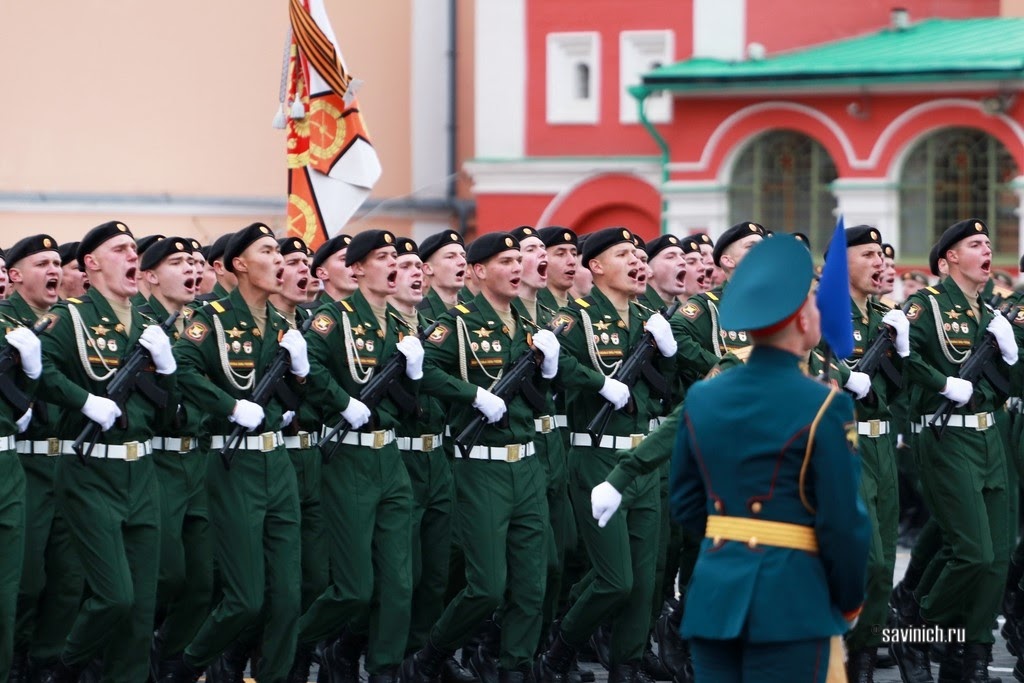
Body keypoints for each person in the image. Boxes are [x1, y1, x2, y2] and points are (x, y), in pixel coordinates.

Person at [668, 233, 870, 682]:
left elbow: (684, 502)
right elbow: (842, 522)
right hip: (792, 601)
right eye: (812, 302)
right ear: (800, 319)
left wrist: (734, 537)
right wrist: (849, 603)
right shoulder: (825, 404)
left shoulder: (703, 396)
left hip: (715, 596)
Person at [403, 232, 558, 683]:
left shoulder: (528, 326)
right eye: (505, 262)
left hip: (527, 462)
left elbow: (537, 397)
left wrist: (549, 369)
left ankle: (515, 668)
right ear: (479, 270)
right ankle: (432, 653)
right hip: (481, 465)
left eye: (517, 261)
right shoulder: (456, 323)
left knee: (532, 585)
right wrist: (472, 395)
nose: (516, 268)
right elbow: (424, 372)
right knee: (487, 587)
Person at [535, 227, 676, 683]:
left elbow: (670, 388)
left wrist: (669, 351)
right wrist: (599, 383)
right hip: (596, 459)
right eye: (624, 255)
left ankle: (626, 665)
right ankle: (560, 649)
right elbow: (554, 368)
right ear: (595, 266)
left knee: (645, 581)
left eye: (639, 255)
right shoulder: (574, 319)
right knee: (616, 578)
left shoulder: (650, 318)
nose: (637, 261)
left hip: (644, 459)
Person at [38, 221, 176, 683]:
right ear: (92, 263)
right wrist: (84, 400)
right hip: (91, 471)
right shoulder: (69, 318)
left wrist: (168, 369)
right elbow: (40, 370)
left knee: (141, 607)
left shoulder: (150, 325)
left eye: (134, 248)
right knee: (115, 596)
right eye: (120, 250)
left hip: (143, 473)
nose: (132, 255)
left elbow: (168, 413)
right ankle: (64, 669)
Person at [173, 222, 308, 683]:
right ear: (240, 264)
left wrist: (302, 372)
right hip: (233, 463)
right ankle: (184, 665)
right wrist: (228, 406)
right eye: (267, 251)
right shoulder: (210, 318)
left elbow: (300, 397)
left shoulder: (284, 324)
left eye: (278, 252)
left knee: (288, 597)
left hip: (277, 461)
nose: (278, 260)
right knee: (245, 599)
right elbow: (183, 370)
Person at [894, 218, 1017, 682]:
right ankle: (915, 627)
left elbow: (1009, 385)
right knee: (973, 553)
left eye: (988, 243)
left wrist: (1012, 356)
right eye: (976, 244)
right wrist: (941, 383)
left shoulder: (989, 313)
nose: (987, 251)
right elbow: (903, 359)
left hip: (990, 436)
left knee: (996, 560)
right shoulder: (925, 307)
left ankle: (971, 658)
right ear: (949, 259)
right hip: (948, 437)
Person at [300, 229, 418, 683]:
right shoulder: (334, 318)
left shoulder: (401, 325)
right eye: (383, 257)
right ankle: (292, 642)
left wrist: (416, 372)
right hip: (348, 457)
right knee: (354, 587)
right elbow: (308, 366)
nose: (393, 264)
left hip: (389, 458)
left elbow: (412, 400)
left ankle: (384, 669)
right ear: (356, 268)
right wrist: (341, 402)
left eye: (395, 256)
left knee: (400, 583)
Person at [3, 236, 84, 682]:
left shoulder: (70, 323)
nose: (54, 270)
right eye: (42, 264)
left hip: (70, 463)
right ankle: (16, 659)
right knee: (27, 580)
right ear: (15, 275)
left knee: (69, 580)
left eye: (57, 262)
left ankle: (45, 663)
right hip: (26, 463)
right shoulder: (6, 323)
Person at [140, 238, 214, 680]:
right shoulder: (140, 323)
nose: (191, 269)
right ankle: (136, 643)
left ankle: (169, 659)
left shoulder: (202, 323)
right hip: (158, 460)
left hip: (197, 460)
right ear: (150, 275)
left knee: (202, 581)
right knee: (166, 574)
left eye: (192, 262)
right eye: (177, 263)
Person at [0, 240, 44, 682]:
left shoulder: (14, 331)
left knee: (6, 593)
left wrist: (31, 373)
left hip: (6, 463)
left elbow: (22, 411)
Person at [417, 230, 468, 321]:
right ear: (428, 269)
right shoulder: (419, 314)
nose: (462, 262)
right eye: (450, 257)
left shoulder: (472, 312)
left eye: (463, 256)